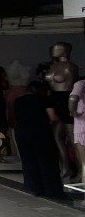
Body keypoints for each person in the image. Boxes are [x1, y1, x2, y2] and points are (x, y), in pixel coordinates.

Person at [12, 80, 64, 200]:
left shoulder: (18, 100)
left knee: (28, 159)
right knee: (46, 160)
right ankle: (51, 190)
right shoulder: (44, 99)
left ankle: (34, 187)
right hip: (40, 131)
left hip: (21, 131)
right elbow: (52, 116)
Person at [38, 42, 79, 180]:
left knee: (72, 139)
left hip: (66, 100)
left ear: (65, 50)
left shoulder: (70, 67)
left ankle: (80, 169)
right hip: (54, 100)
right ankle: (65, 167)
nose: (54, 50)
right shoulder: (53, 66)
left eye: (58, 48)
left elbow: (74, 88)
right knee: (57, 137)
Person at [70, 76, 85, 184]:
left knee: (84, 163)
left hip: (82, 128)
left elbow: (73, 98)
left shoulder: (81, 84)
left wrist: (73, 112)